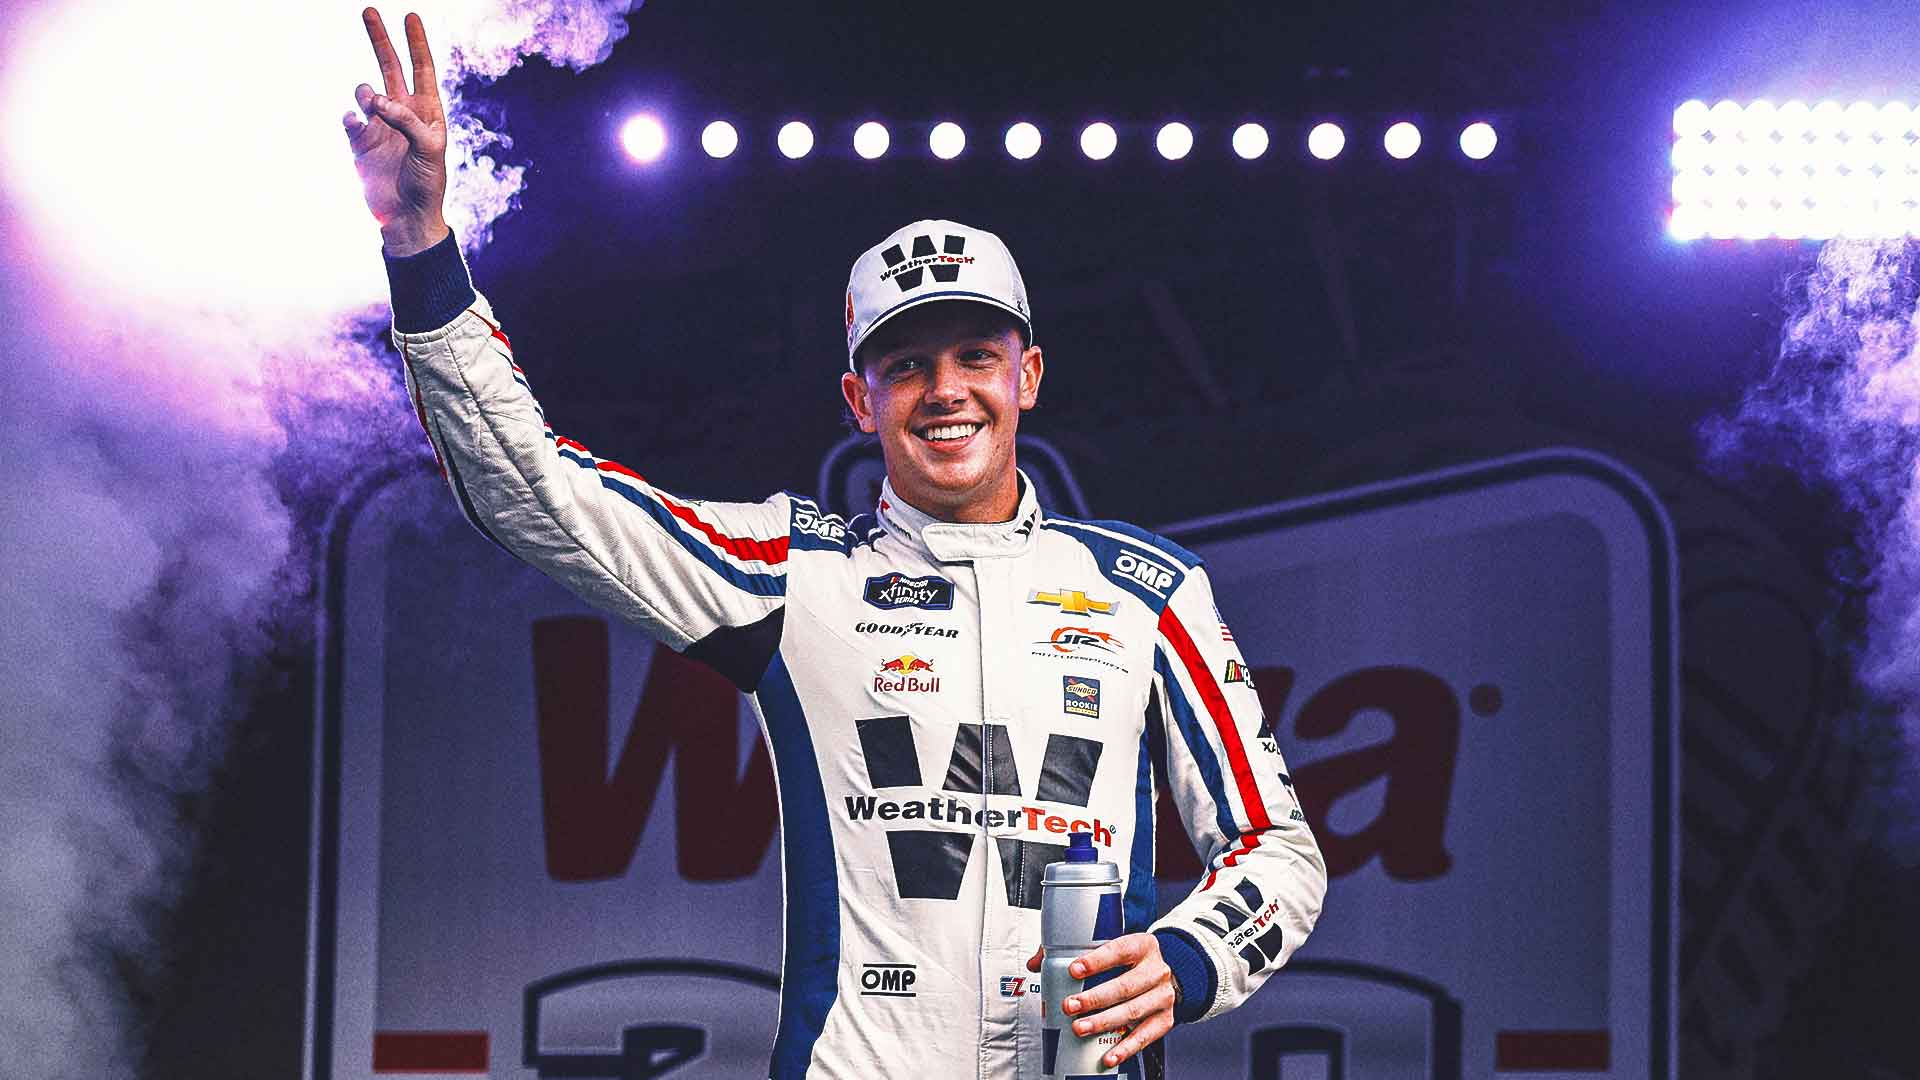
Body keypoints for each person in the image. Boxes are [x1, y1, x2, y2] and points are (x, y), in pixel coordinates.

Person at [343, 9, 1326, 1078]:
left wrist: (1188, 957)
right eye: (905, 366)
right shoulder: (795, 573)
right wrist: (419, 241)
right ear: (860, 399)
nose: (945, 391)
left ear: (1027, 376)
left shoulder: (1149, 591)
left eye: (975, 355)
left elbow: (1279, 850)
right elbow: (532, 491)